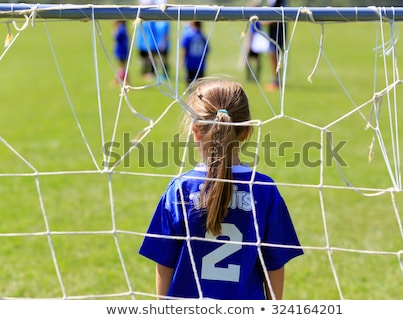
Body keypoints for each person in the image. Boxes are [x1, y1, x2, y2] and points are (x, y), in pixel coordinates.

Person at [139, 78, 303, 300]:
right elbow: (273, 265)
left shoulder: (180, 190)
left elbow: (165, 263)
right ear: (246, 132)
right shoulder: (264, 190)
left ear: (195, 131)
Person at [265, 0, 288, 92]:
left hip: (279, 33)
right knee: (272, 55)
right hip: (272, 33)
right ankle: (276, 80)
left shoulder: (280, 1)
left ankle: (277, 81)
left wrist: (263, 22)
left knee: (275, 55)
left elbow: (279, 15)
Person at [113, 20, 130, 85]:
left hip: (121, 50)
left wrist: (115, 28)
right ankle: (125, 80)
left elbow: (116, 36)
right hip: (122, 50)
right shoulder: (123, 28)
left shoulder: (121, 28)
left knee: (121, 66)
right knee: (122, 66)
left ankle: (117, 81)